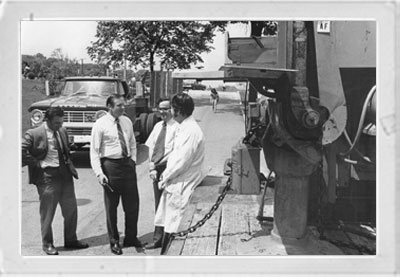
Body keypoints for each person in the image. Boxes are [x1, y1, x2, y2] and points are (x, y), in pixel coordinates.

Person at [21, 106, 88, 255]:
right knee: (48, 212)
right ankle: (48, 244)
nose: (60, 125)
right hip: (47, 177)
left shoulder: (62, 131)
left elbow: (66, 150)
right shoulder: (34, 133)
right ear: (48, 120)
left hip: (65, 174)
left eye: (61, 122)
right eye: (57, 123)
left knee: (71, 210)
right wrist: (37, 163)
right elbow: (20, 150)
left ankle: (71, 240)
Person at [90, 94, 144, 255]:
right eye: (119, 105)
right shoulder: (100, 125)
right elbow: (94, 151)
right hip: (110, 167)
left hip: (127, 165)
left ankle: (131, 237)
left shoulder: (126, 121)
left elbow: (133, 143)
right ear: (110, 106)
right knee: (111, 208)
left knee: (132, 205)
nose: (123, 108)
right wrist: (99, 173)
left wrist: (133, 160)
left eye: (124, 105)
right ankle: (114, 241)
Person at [154, 93, 207, 254]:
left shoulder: (190, 131)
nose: (170, 111)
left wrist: (165, 176)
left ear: (178, 110)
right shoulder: (184, 127)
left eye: (172, 108)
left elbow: (181, 161)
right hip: (178, 182)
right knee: (170, 223)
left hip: (182, 183)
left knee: (175, 227)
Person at [144, 98, 178, 250]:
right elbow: (151, 147)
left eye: (166, 108)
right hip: (157, 168)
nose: (163, 112)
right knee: (159, 204)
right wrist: (151, 167)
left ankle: (170, 238)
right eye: (160, 109)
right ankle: (158, 238)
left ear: (173, 109)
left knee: (171, 203)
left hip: (170, 168)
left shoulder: (178, 128)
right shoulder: (158, 126)